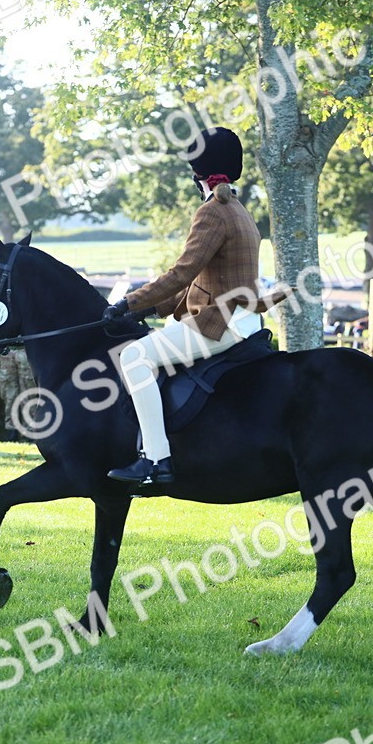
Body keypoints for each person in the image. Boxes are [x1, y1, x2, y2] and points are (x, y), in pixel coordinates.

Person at [103, 127, 285, 485]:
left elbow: (182, 272)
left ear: (196, 173)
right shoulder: (239, 210)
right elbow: (203, 280)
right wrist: (150, 310)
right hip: (245, 319)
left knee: (134, 358)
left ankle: (156, 461)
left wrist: (127, 302)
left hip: (221, 323)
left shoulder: (212, 212)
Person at [0, 349, 36, 442]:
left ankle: (29, 432)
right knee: (9, 395)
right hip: (7, 350)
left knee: (28, 394)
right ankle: (11, 431)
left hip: (25, 350)